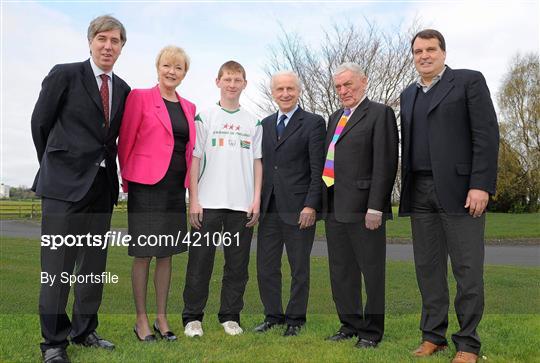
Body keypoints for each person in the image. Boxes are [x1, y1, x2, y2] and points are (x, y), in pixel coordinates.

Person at [31, 15, 130, 363]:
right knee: (57, 266)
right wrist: (58, 166)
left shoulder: (124, 89)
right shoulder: (65, 74)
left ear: (121, 47)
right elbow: (40, 123)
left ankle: (84, 331)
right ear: (90, 41)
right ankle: (54, 343)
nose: (108, 45)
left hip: (101, 189)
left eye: (115, 40)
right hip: (63, 187)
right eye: (102, 38)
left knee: (93, 266)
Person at [399, 29, 499, 363]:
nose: (423, 55)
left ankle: (468, 343)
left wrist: (480, 184)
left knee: (467, 271)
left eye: (430, 49)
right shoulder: (407, 95)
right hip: (420, 192)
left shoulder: (469, 82)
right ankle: (433, 337)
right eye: (417, 51)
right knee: (428, 270)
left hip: (461, 191)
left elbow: (486, 135)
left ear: (443, 52)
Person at [117, 46, 196, 343]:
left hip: (175, 187)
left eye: (178, 67)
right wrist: (128, 180)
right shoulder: (139, 97)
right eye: (167, 65)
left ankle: (162, 317)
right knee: (144, 253)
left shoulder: (189, 107)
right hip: (146, 186)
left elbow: (189, 148)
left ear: (184, 73)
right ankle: (141, 320)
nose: (172, 71)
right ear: (158, 67)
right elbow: (125, 141)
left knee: (166, 253)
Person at [182, 61, 263, 337]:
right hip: (207, 204)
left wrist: (256, 200)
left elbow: (257, 163)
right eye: (227, 79)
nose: (232, 84)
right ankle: (193, 318)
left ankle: (230, 316)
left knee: (237, 266)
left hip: (241, 206)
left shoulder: (254, 121)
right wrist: (194, 199)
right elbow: (193, 160)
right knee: (200, 263)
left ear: (244, 83)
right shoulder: (205, 117)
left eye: (237, 79)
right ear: (217, 81)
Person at [322, 63, 398, 349]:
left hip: (365, 209)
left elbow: (385, 163)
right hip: (335, 207)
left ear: (363, 82)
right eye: (339, 87)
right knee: (341, 271)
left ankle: (372, 331)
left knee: (372, 272)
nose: (343, 91)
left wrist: (376, 207)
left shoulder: (380, 114)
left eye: (348, 85)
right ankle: (350, 324)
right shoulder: (334, 118)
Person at [254, 71, 325, 336]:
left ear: (299, 90)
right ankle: (273, 315)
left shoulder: (313, 123)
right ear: (273, 92)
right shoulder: (265, 123)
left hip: (299, 208)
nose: (285, 93)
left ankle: (295, 319)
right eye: (280, 89)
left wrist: (311, 205)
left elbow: (318, 168)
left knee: (299, 268)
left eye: (290, 89)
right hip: (269, 207)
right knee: (266, 266)